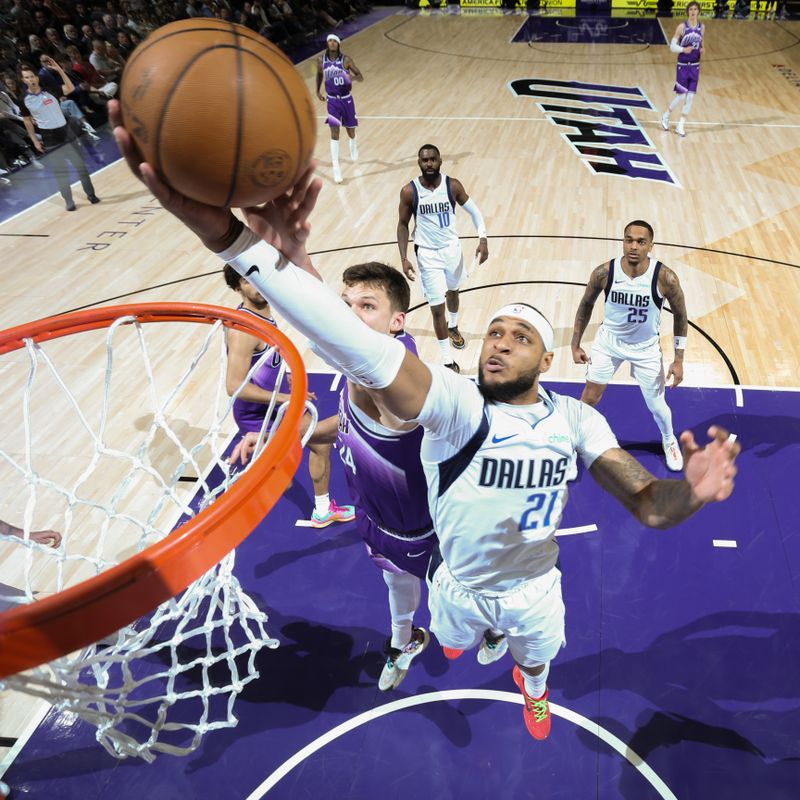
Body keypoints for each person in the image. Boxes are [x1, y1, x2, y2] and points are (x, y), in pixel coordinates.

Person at [111, 104, 740, 742]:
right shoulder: (454, 403)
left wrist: (691, 488)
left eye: (520, 336)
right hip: (455, 582)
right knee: (453, 641)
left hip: (532, 585)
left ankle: (535, 686)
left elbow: (653, 506)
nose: (499, 342)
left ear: (546, 361)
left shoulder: (579, 421)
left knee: (535, 656)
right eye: (494, 331)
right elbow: (356, 346)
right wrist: (238, 245)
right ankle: (459, 641)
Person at [234, 262, 448, 690]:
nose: (351, 315)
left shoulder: (389, 378)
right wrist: (289, 437)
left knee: (458, 612)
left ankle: (508, 638)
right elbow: (348, 424)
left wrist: (248, 252)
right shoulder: (363, 364)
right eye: (346, 304)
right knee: (398, 596)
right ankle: (402, 645)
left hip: (426, 528)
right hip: (376, 517)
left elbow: (324, 328)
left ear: (397, 321)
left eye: (367, 306)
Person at [223, 264, 355, 529]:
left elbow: (261, 367)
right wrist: (285, 398)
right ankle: (321, 509)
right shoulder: (243, 330)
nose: (256, 285)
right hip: (257, 412)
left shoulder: (263, 314)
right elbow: (234, 385)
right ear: (238, 289)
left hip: (274, 402)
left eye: (256, 278)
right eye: (247, 282)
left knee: (313, 448)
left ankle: (320, 507)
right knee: (320, 441)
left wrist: (289, 382)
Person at [570, 220, 687, 472]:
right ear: (623, 241)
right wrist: (575, 342)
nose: (634, 246)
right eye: (629, 240)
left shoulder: (665, 277)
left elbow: (681, 315)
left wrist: (678, 359)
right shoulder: (604, 273)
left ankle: (669, 440)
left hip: (645, 349)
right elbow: (585, 305)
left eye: (641, 242)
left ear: (651, 246)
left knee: (657, 405)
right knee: (589, 397)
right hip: (608, 343)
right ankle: (573, 442)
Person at [397, 144, 489, 373]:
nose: (429, 164)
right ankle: (448, 360)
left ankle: (454, 326)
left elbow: (475, 212)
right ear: (419, 162)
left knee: (454, 291)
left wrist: (483, 239)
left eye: (433, 159)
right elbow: (402, 224)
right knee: (436, 307)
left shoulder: (453, 185)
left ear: (440, 161)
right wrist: (403, 257)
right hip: (427, 254)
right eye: (424, 160)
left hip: (452, 250)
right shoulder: (409, 191)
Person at [19, 59, 100, 211]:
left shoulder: (50, 89)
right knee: (61, 172)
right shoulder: (24, 100)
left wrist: (58, 69)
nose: (31, 79)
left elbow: (70, 87)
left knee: (80, 166)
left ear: (36, 77)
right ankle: (69, 201)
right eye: (27, 77)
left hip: (66, 132)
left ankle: (91, 195)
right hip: (50, 137)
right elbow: (27, 121)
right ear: (23, 80)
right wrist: (35, 140)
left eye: (32, 76)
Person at [315, 33, 362, 185]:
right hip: (332, 101)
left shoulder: (346, 60)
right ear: (327, 43)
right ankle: (336, 169)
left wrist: (351, 78)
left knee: (350, 131)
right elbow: (319, 75)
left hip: (347, 99)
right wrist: (317, 91)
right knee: (334, 133)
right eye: (329, 40)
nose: (332, 43)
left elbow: (360, 76)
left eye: (335, 41)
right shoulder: (321, 60)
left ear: (339, 43)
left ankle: (353, 144)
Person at [660, 1, 705, 138]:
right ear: (688, 11)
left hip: (695, 65)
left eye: (695, 9)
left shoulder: (702, 27)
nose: (693, 11)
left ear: (698, 11)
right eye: (691, 9)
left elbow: (701, 41)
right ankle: (666, 115)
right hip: (683, 65)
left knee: (690, 96)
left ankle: (681, 124)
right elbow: (672, 47)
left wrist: (702, 48)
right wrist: (683, 49)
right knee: (681, 95)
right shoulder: (682, 27)